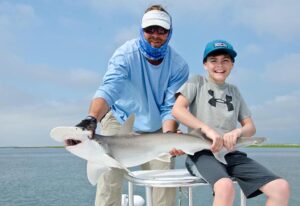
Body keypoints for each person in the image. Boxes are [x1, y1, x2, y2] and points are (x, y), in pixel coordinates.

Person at [76, 5, 189, 206]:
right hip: (120, 120)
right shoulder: (125, 55)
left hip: (157, 127)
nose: (155, 35)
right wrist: (92, 118)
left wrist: (168, 137)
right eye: (150, 29)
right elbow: (109, 89)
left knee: (164, 183)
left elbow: (169, 107)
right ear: (141, 30)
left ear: (170, 33)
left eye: (161, 30)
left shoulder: (179, 66)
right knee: (109, 181)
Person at [172, 39, 290, 206]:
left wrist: (237, 132)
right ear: (205, 64)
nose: (219, 65)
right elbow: (177, 110)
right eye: (213, 60)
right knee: (225, 186)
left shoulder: (234, 91)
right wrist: (207, 130)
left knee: (281, 187)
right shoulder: (196, 82)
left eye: (225, 60)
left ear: (232, 65)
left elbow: (250, 127)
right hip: (201, 153)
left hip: (231, 154)